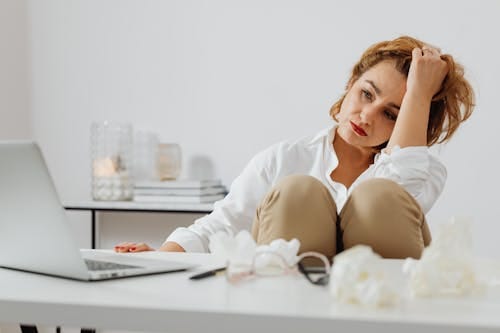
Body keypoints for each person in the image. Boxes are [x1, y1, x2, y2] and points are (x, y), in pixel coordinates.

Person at [115, 35, 475, 259]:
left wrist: (420, 94)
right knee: (298, 192)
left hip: (380, 303)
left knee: (379, 198)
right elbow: (221, 225)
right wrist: (161, 258)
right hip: (289, 298)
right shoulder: (286, 158)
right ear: (351, 82)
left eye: (391, 114)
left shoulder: (424, 171)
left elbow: (399, 188)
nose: (366, 116)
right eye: (365, 93)